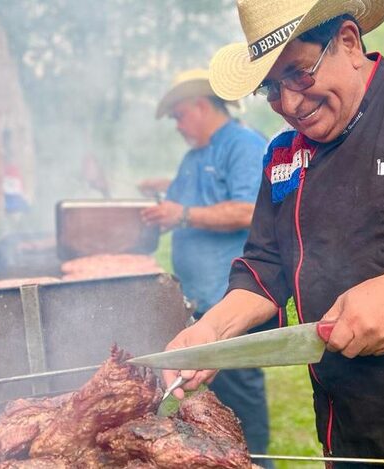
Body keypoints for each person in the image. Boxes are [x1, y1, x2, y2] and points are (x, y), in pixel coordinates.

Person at [162, 1, 384, 468]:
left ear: (350, 43)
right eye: (271, 88)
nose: (289, 104)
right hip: (353, 434)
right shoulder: (281, 156)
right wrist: (211, 331)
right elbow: (265, 267)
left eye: (298, 74)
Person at [140, 68, 277, 467]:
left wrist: (180, 214)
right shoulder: (194, 156)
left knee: (240, 397)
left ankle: (259, 462)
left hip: (230, 302)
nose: (178, 127)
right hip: (198, 302)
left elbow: (248, 208)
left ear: (201, 105)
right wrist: (161, 193)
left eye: (180, 116)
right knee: (211, 403)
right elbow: (197, 198)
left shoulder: (243, 144)